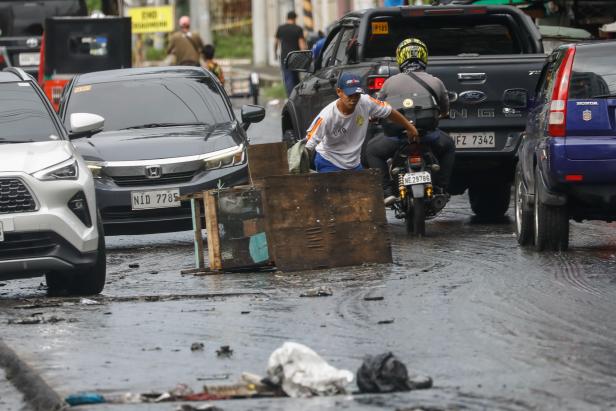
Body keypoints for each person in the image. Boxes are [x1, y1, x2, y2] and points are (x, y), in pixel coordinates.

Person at [366, 38, 455, 203]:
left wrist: (374, 117)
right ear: (424, 57)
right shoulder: (435, 81)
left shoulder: (389, 82)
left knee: (372, 150)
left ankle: (386, 192)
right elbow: (444, 109)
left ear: (400, 58)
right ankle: (441, 187)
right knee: (449, 145)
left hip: (396, 138)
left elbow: (378, 106)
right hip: (428, 136)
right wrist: (443, 114)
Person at [305, 73, 418, 174]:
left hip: (354, 164)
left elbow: (389, 111)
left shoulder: (366, 101)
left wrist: (410, 127)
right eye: (350, 95)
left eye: (357, 95)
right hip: (329, 163)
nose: (354, 99)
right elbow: (308, 144)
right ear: (339, 92)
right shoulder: (327, 116)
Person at [274, 11, 307, 97]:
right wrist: (306, 56)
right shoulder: (298, 29)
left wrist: (275, 53)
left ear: (287, 18)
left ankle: (290, 97)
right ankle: (295, 97)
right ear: (295, 18)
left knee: (288, 78)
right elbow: (302, 44)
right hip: (296, 57)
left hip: (285, 57)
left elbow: (276, 42)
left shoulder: (280, 28)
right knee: (296, 77)